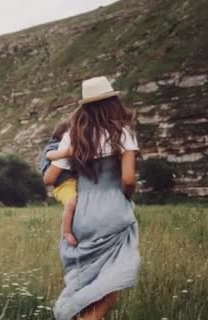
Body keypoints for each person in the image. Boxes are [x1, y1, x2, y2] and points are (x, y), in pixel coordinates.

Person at [44, 76, 141, 320]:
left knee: (90, 279)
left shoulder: (74, 136)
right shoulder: (123, 132)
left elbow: (49, 178)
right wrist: (126, 197)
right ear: (113, 102)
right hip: (113, 208)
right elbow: (128, 179)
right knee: (112, 281)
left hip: (82, 212)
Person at [40, 121, 78, 247]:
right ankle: (66, 231)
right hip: (62, 185)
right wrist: (66, 152)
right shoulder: (55, 145)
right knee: (72, 202)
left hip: (73, 182)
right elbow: (50, 155)